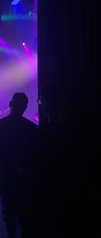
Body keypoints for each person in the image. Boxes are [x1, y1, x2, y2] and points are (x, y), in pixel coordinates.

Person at [20, 82, 87, 238]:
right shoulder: (82, 134)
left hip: (45, 205)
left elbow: (22, 166)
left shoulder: (39, 135)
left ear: (46, 104)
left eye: (40, 101)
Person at [0, 92, 37, 238]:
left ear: (10, 104)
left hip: (6, 177)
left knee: (9, 217)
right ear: (25, 107)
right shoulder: (31, 128)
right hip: (26, 178)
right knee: (25, 217)